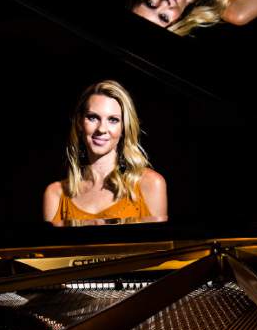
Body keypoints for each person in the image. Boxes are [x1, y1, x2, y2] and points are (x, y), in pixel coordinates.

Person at [43, 80, 167, 224]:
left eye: (113, 120)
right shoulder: (56, 194)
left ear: (124, 128)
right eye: (93, 117)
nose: (102, 129)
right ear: (79, 123)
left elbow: (158, 246)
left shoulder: (150, 184)